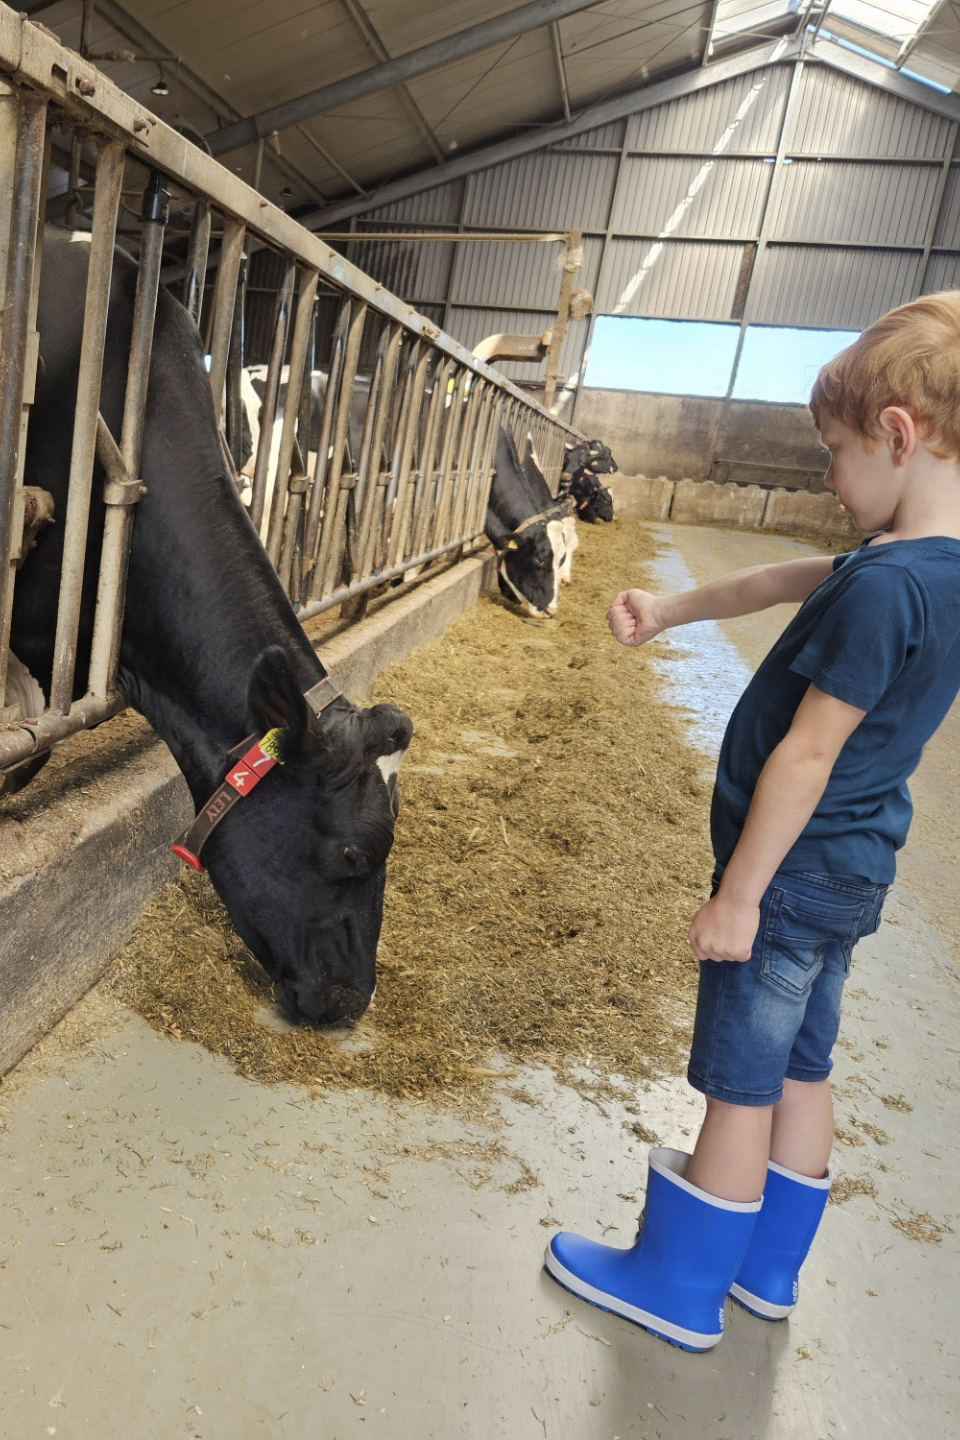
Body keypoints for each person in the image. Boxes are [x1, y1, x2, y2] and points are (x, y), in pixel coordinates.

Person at [543, 290, 960, 1351]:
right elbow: (781, 578)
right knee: (803, 1069)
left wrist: (737, 897)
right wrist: (668, 609)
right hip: (854, 874)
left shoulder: (884, 592)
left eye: (835, 453)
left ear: (899, 438)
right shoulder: (929, 572)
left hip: (785, 877)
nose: (828, 477)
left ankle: (675, 1288)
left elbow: (808, 752)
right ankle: (767, 1274)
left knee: (740, 1083)